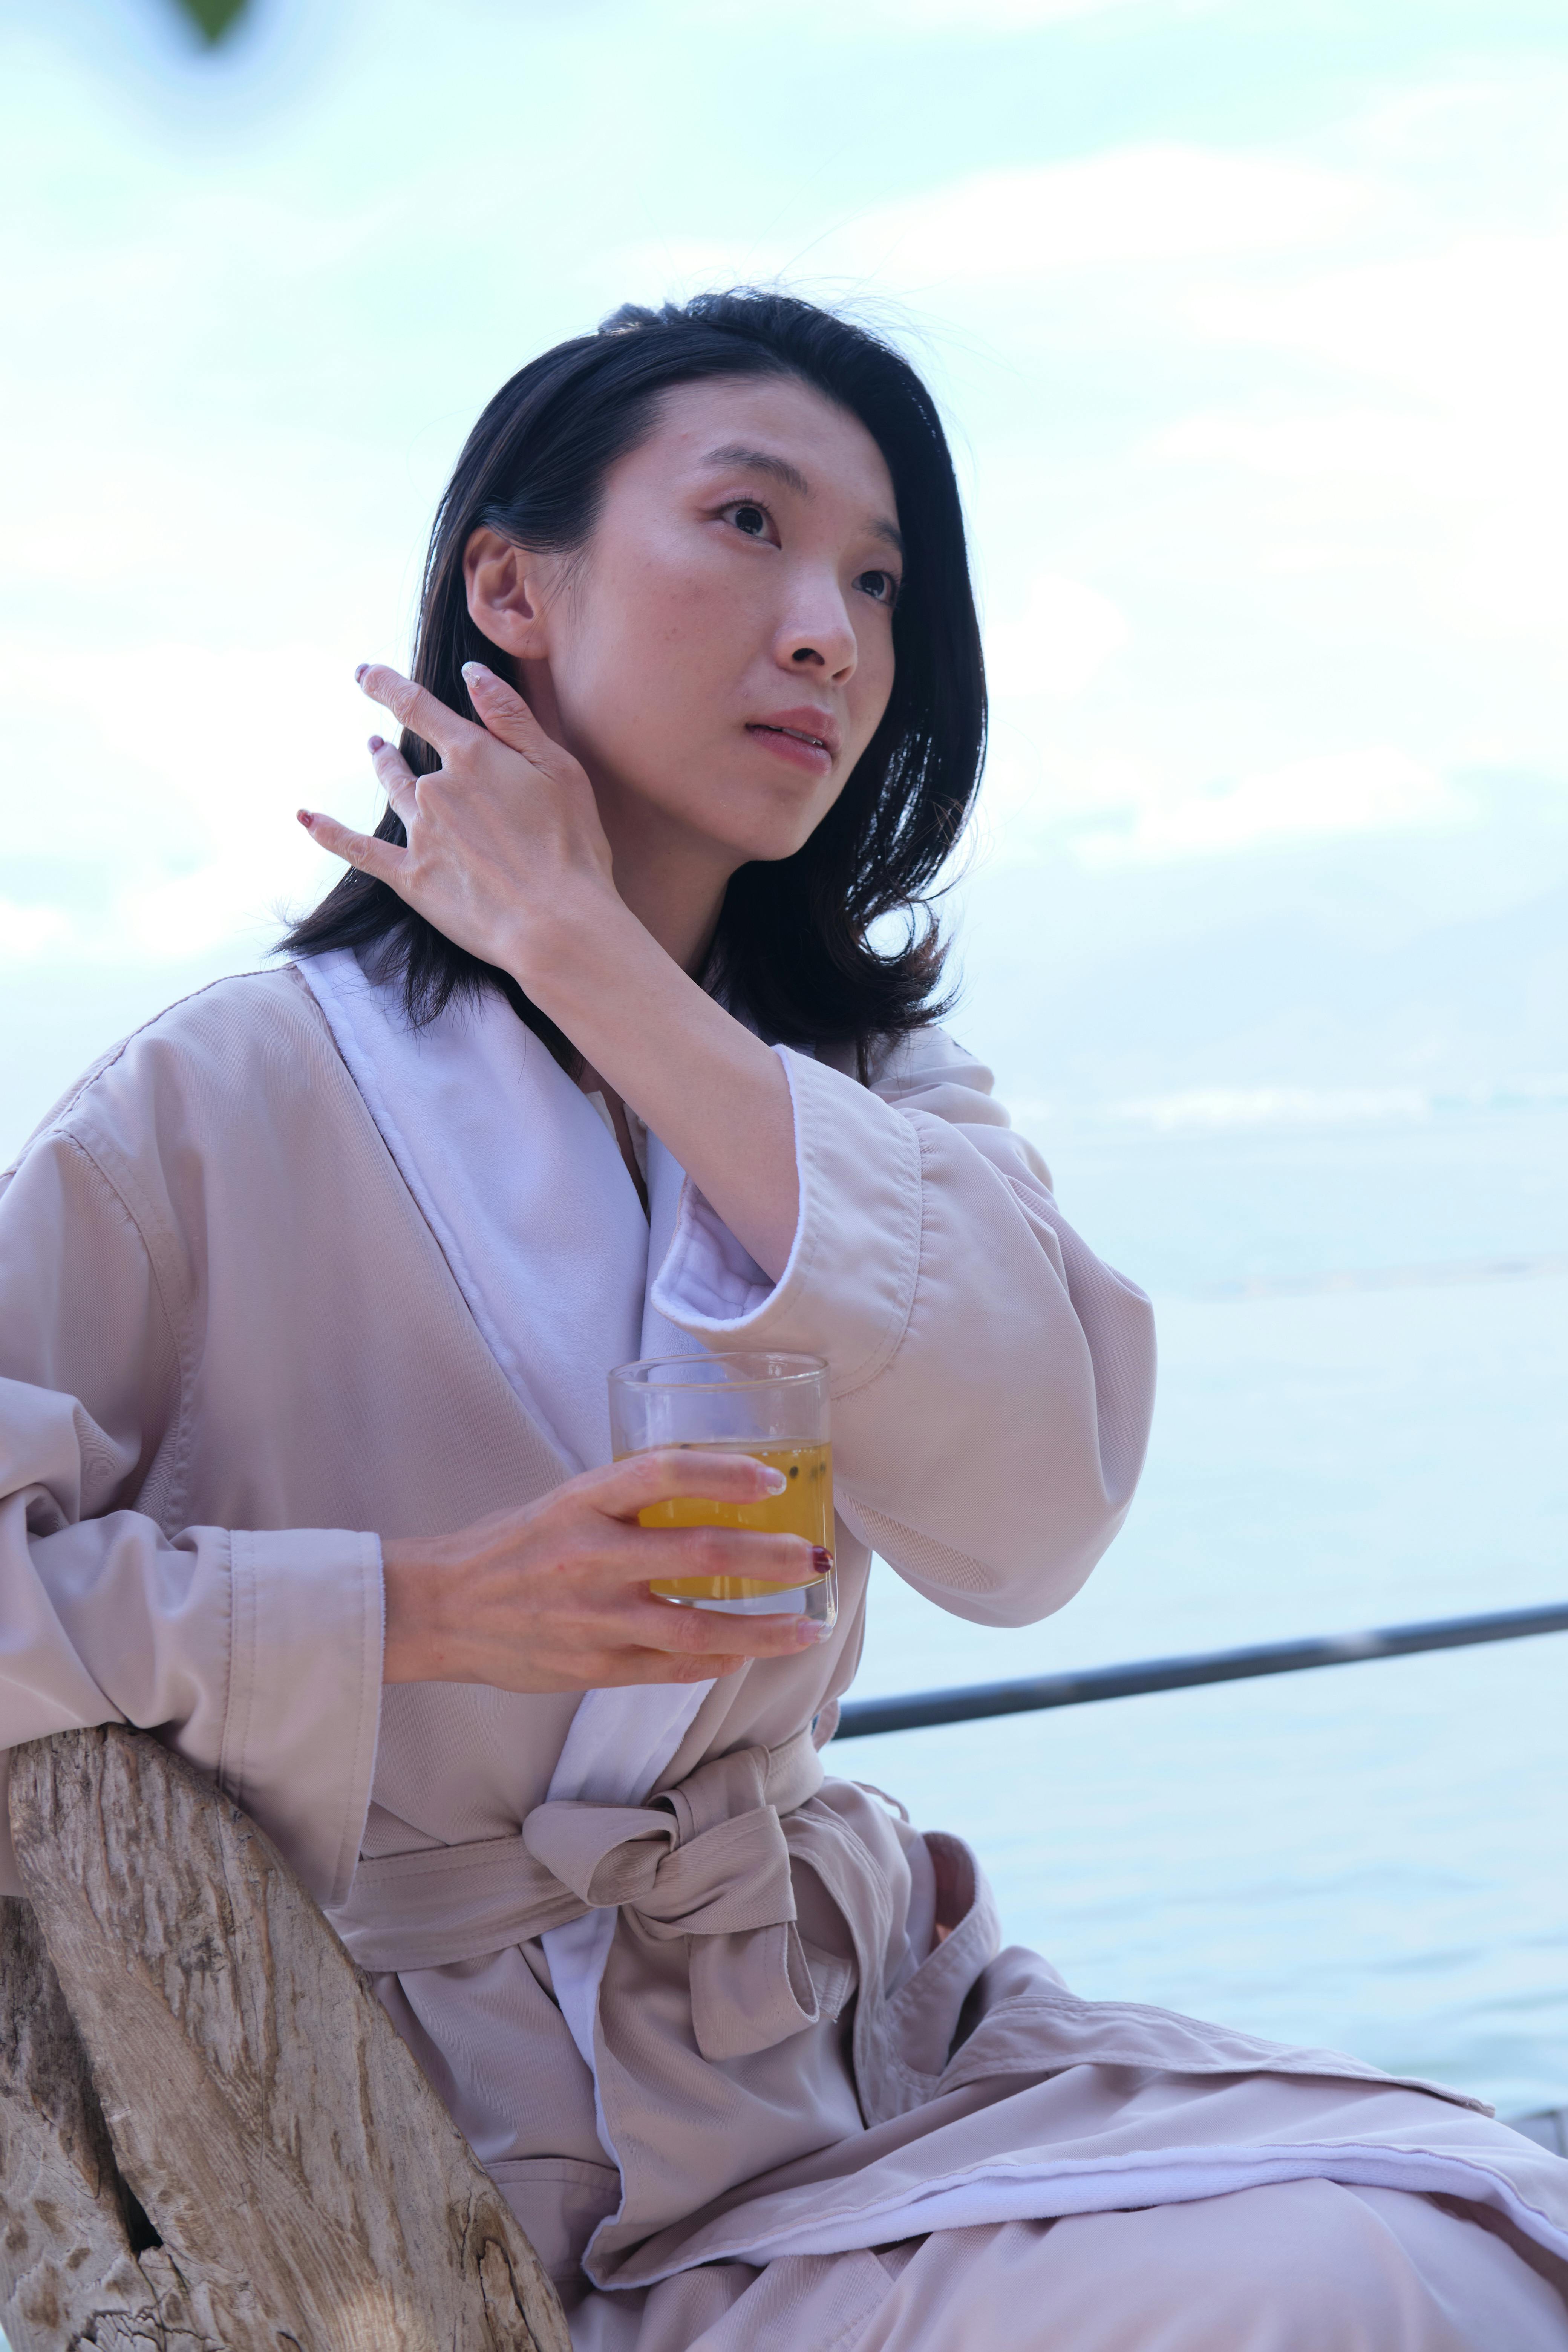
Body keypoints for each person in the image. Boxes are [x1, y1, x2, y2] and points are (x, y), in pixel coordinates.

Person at [2, 291, 1564, 2350]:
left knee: (1499, 2229)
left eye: (880, 577)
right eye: (749, 522)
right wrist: (396, 1615)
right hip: (448, 2159)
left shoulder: (877, 1103)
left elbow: (1037, 1529)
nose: (830, 625)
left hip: (855, 2044)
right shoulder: (210, 1109)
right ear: (511, 585)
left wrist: (590, 956)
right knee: (1366, 2295)